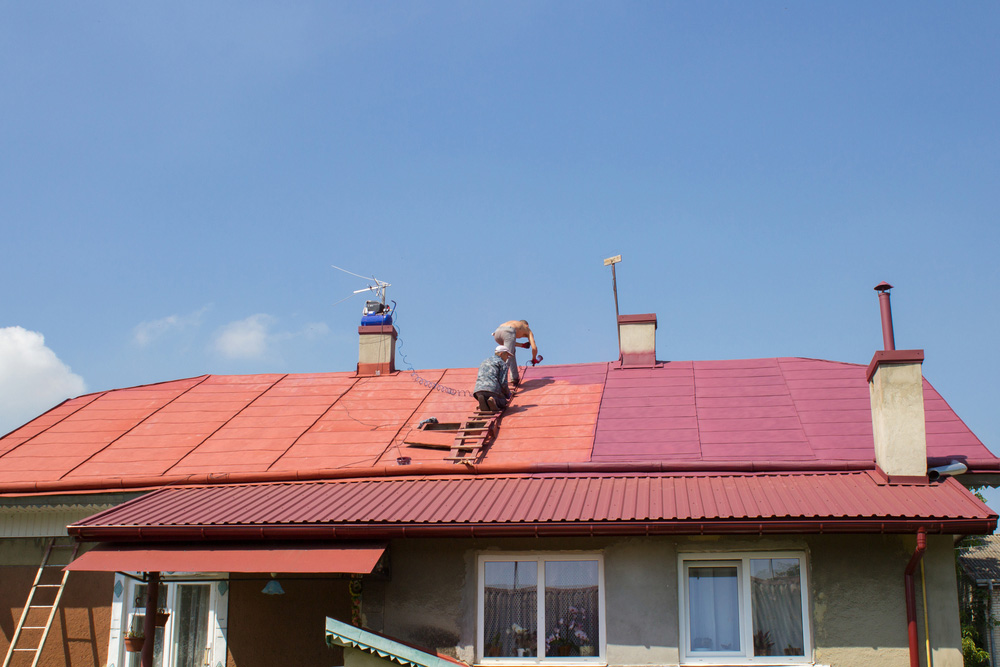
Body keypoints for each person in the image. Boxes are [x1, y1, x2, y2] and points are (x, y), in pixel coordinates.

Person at [492, 319, 538, 386]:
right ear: (527, 325)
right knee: (507, 358)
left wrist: (522, 345)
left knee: (511, 352)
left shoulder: (515, 324)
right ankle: (500, 382)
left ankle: (514, 377)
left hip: (497, 332)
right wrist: (534, 359)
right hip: (508, 331)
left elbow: (509, 341)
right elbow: (534, 348)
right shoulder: (527, 329)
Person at [473, 346, 513, 412]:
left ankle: (483, 401)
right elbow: (503, 382)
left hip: (478, 390)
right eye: (507, 355)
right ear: (501, 354)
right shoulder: (502, 363)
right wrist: (508, 394)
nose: (507, 358)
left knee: (485, 396)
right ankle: (493, 400)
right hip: (492, 390)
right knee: (503, 401)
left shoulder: (485, 361)